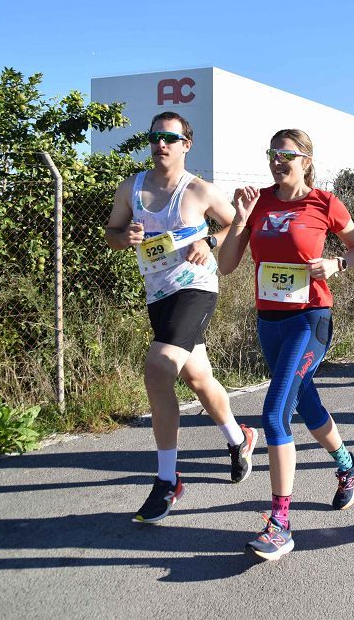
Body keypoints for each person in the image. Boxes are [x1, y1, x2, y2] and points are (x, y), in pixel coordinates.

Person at [218, 128, 354, 560]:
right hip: (270, 321)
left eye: (287, 154)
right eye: (272, 153)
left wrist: (337, 262)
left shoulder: (324, 203)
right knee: (303, 401)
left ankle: (280, 523)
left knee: (274, 412)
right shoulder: (259, 201)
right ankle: (348, 465)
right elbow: (227, 266)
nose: (277, 160)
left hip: (310, 319)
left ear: (306, 160)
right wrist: (242, 218)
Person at [105, 112, 257, 523]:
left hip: (196, 288)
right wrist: (126, 238)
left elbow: (239, 225)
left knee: (158, 368)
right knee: (197, 377)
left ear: (185, 144)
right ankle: (238, 438)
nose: (161, 144)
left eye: (170, 138)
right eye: (155, 137)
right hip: (158, 293)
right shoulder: (131, 188)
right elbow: (112, 234)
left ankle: (168, 480)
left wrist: (210, 241)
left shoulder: (200, 191)